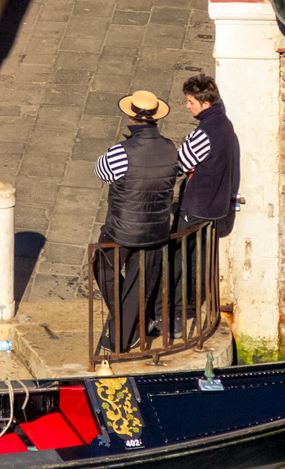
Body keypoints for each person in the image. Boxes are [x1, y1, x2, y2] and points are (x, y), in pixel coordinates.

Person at [93, 90, 180, 351]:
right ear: (155, 119)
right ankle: (127, 331)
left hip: (121, 231)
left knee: (102, 267)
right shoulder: (170, 148)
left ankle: (120, 332)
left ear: (131, 117)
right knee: (137, 283)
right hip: (155, 232)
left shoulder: (121, 151)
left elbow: (101, 172)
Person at [171, 74, 240, 335]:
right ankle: (193, 308)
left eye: (190, 102)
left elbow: (180, 163)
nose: (187, 106)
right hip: (216, 208)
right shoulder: (225, 125)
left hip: (197, 207)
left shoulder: (204, 133)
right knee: (200, 260)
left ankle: (177, 318)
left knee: (180, 261)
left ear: (204, 103)